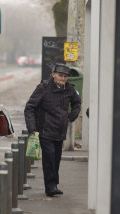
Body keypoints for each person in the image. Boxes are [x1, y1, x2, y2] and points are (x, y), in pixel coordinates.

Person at [24, 63, 81, 196]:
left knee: (56, 159)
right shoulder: (43, 88)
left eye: (65, 76)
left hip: (60, 131)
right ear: (54, 75)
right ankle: (50, 186)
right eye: (60, 75)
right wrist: (32, 128)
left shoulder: (69, 89)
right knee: (49, 158)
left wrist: (72, 116)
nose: (63, 79)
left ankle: (53, 184)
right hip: (45, 130)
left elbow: (77, 102)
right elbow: (30, 107)